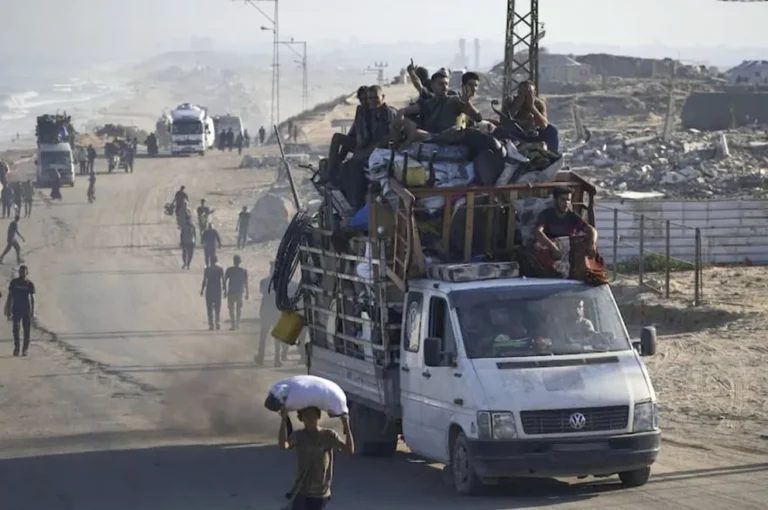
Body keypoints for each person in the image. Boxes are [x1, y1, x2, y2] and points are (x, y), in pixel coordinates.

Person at [278, 405, 354, 510]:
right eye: (306, 416)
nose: (310, 418)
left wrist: (346, 425)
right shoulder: (299, 436)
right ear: (300, 418)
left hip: (320, 493)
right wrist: (283, 420)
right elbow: (283, 445)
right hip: (301, 490)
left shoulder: (328, 435)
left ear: (318, 416)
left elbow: (349, 450)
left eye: (313, 415)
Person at [390, 71, 482, 148]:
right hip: (432, 134)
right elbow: (410, 109)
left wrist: (467, 103)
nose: (444, 87)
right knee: (405, 122)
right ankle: (394, 147)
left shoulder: (453, 100)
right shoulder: (429, 102)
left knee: (417, 134)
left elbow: (478, 117)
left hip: (447, 137)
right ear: (432, 85)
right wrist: (400, 114)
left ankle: (401, 150)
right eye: (441, 84)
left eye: (446, 84)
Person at [535, 187, 598, 259]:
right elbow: (538, 232)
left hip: (570, 249)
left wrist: (591, 244)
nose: (566, 203)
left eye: (568, 200)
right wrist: (553, 247)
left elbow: (592, 230)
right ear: (555, 200)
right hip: (552, 247)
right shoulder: (546, 214)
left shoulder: (573, 216)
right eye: (563, 200)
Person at [501, 80, 560, 153]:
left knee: (552, 130)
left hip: (533, 134)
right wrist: (517, 104)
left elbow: (544, 125)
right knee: (499, 132)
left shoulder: (539, 104)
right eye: (523, 92)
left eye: (529, 93)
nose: (526, 96)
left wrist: (532, 107)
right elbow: (504, 122)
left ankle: (553, 155)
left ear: (534, 93)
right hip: (515, 134)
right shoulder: (510, 101)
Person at [5, 265, 35, 357]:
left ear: (27, 273)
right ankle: (17, 348)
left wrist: (33, 311)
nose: (22, 274)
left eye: (24, 272)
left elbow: (33, 299)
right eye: (20, 272)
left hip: (26, 309)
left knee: (27, 331)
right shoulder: (14, 282)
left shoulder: (29, 284)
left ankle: (25, 349)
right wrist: (7, 308)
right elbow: (10, 296)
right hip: (16, 308)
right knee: (16, 330)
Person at [224, 254, 249, 330]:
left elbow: (225, 281)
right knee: (238, 309)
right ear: (240, 262)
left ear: (233, 261)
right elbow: (246, 282)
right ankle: (237, 324)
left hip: (231, 292)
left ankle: (233, 325)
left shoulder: (229, 270)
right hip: (240, 292)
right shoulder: (244, 271)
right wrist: (247, 293)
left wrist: (225, 291)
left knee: (231, 309)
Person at [200, 255, 225, 330]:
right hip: (217, 290)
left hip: (209, 290)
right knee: (217, 308)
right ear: (216, 261)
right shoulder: (220, 269)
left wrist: (202, 290)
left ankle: (211, 325)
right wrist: (225, 290)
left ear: (210, 261)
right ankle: (217, 322)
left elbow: (204, 281)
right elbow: (223, 280)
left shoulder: (207, 269)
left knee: (209, 308)